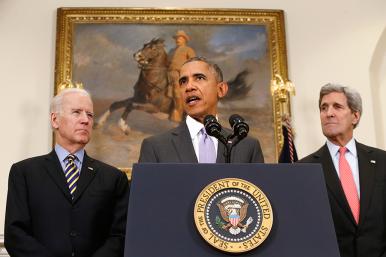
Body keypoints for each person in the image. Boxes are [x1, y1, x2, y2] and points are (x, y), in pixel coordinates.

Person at [4, 88, 130, 257]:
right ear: (55, 120)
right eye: (77, 112)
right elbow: (15, 235)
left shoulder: (114, 178)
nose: (85, 120)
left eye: (90, 115)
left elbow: (119, 237)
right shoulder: (24, 173)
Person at [299, 83, 386, 257]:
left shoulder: (383, 161)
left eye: (337, 107)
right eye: (324, 108)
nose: (328, 113)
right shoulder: (303, 169)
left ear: (355, 116)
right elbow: (303, 227)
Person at [139, 56, 264, 163]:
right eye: (183, 81)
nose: (189, 87)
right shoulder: (155, 147)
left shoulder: (247, 147)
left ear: (221, 90)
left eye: (199, 78)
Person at [168, 30, 196, 122]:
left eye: (180, 38)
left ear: (184, 39)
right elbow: (166, 62)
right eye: (176, 38)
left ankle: (178, 114)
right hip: (169, 73)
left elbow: (193, 63)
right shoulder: (171, 51)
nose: (177, 39)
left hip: (180, 74)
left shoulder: (188, 49)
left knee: (177, 92)